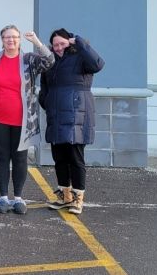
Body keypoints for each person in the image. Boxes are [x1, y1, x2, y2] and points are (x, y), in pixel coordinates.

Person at [0, 25, 54, 215]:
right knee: (2, 156)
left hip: (23, 119)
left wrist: (37, 43)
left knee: (20, 158)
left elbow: (49, 61)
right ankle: (3, 197)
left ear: (20, 39)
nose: (11, 40)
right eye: (7, 37)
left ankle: (19, 198)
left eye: (14, 37)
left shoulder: (28, 60)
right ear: (2, 40)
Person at [39, 28, 104, 216]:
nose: (59, 48)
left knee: (76, 158)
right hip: (56, 114)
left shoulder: (81, 57)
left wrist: (80, 42)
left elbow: (98, 64)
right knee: (59, 158)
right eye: (55, 44)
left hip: (78, 115)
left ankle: (78, 198)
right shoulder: (51, 62)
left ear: (70, 42)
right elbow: (44, 86)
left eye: (63, 43)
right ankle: (65, 196)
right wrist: (46, 101)